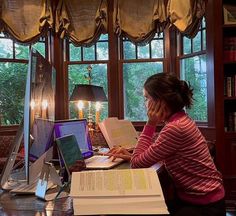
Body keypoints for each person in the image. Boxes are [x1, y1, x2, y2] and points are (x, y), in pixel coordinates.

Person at [107, 73, 226, 216]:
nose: (145, 103)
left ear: (160, 101)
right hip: (202, 199)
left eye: (146, 98)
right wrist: (132, 156)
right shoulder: (181, 119)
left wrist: (150, 123)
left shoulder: (175, 128)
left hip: (205, 207)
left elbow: (137, 164)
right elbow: (160, 152)